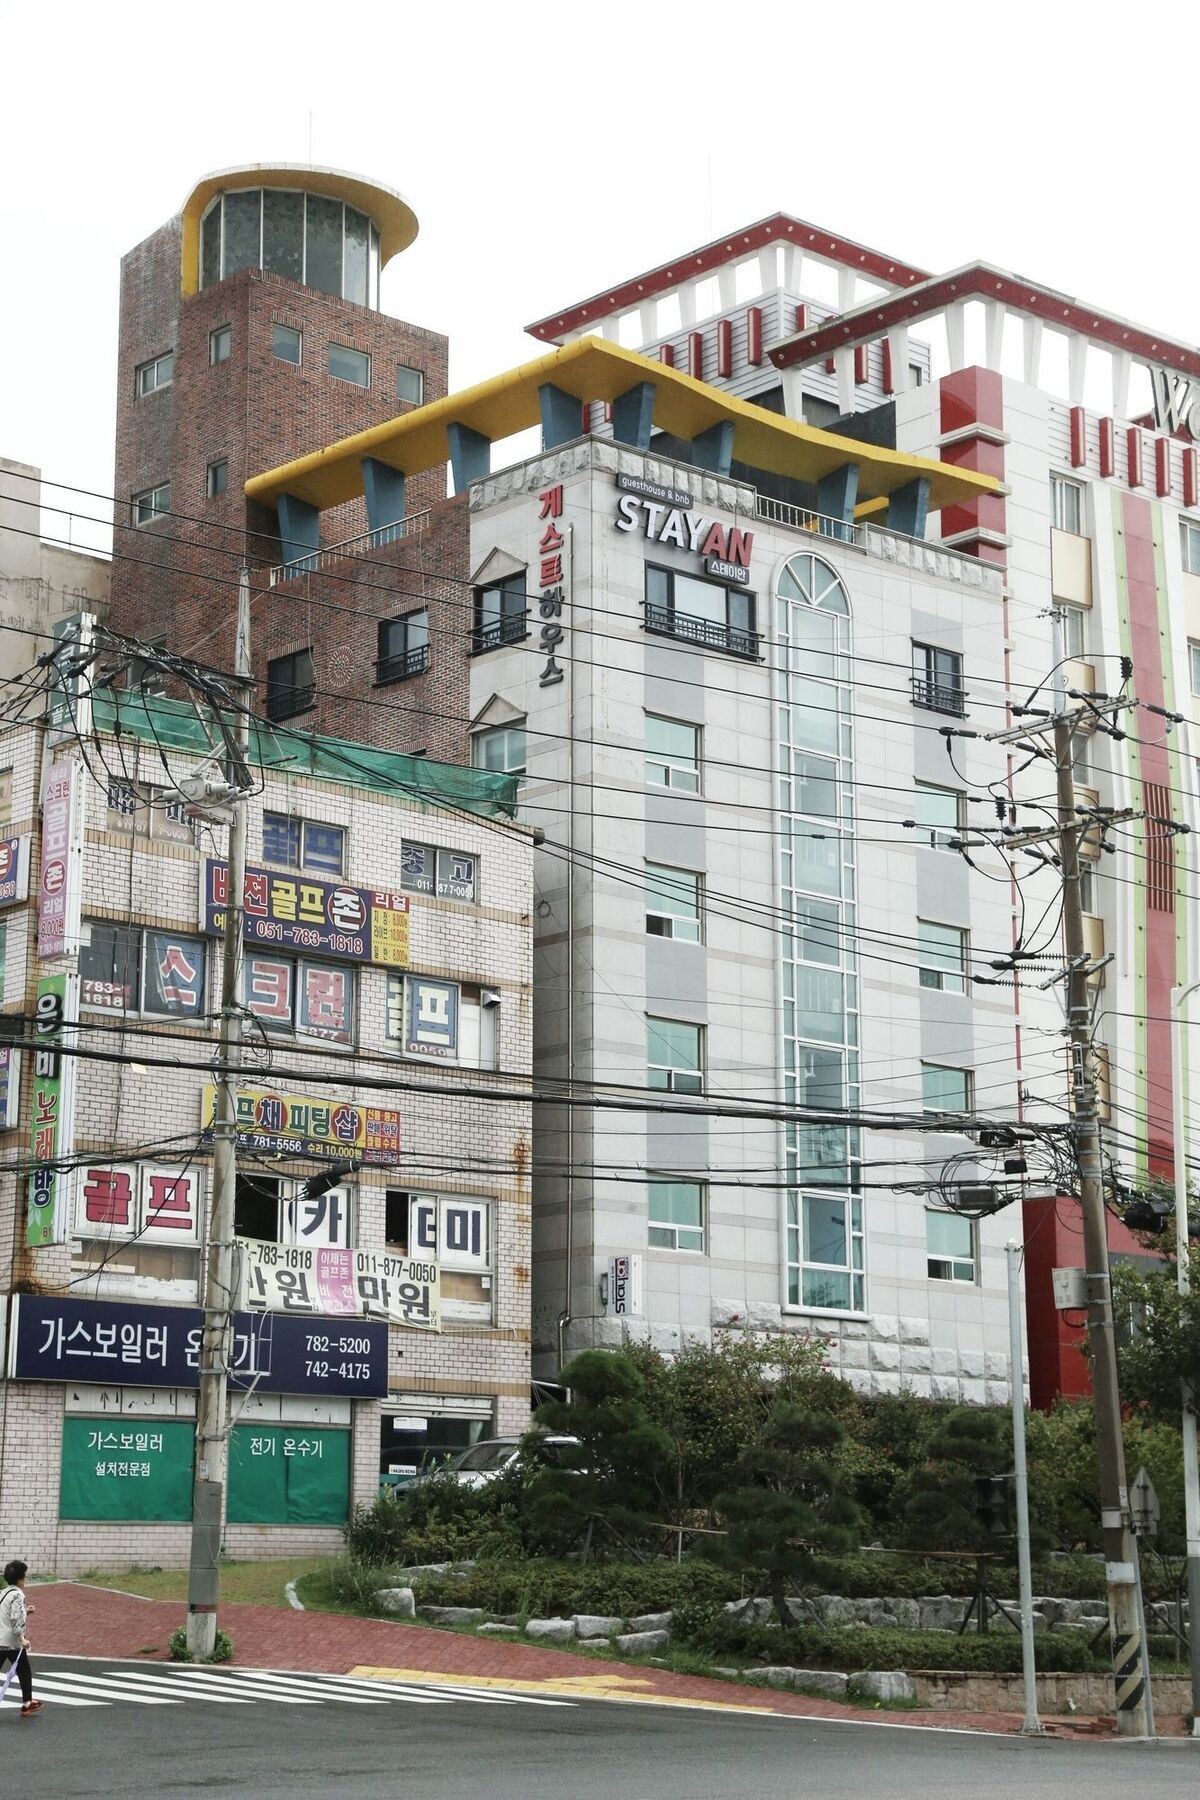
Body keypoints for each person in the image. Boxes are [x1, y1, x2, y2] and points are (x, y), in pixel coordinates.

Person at [0, 1560, 41, 1718]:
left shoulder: (2, 1593)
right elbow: (16, 1619)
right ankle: (27, 1703)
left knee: (23, 1669)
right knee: (24, 1670)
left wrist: (25, 1611)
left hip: (0, 1640)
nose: (25, 1579)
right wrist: (22, 1639)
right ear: (19, 1579)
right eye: (24, 1576)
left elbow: (6, 1613)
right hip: (11, 1642)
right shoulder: (18, 1594)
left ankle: (28, 1702)